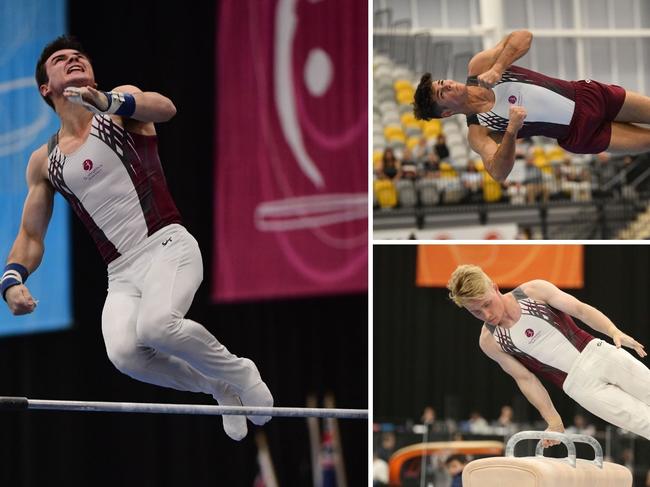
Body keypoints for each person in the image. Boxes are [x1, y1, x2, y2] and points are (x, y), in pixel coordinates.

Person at [0, 36, 273, 441]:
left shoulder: (118, 106)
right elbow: (30, 234)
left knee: (158, 327)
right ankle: (217, 387)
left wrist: (108, 102)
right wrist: (11, 282)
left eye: (79, 56)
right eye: (61, 59)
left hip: (168, 245)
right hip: (122, 273)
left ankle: (238, 371)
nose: (73, 59)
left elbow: (166, 108)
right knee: (125, 353)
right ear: (46, 87)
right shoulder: (45, 161)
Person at [447, 264, 650, 447]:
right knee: (643, 423)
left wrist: (613, 331)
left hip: (597, 353)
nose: (487, 314)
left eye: (487, 304)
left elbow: (581, 310)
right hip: (578, 386)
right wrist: (554, 421)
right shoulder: (489, 341)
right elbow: (525, 379)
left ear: (494, 287)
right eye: (476, 312)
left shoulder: (533, 291)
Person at [413, 29, 650, 182]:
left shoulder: (479, 67)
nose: (449, 85)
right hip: (579, 133)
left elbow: (523, 36)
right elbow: (498, 173)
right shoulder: (479, 132)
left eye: (443, 82)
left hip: (588, 95)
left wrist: (498, 67)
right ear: (447, 113)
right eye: (442, 93)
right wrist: (511, 131)